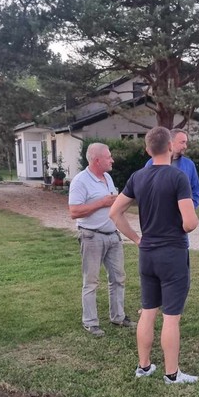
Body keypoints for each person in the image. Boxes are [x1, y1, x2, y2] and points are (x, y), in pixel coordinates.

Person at [109, 126, 199, 383]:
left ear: (147, 149)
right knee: (171, 316)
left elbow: (114, 213)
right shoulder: (177, 177)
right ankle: (172, 374)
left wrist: (137, 238)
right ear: (170, 147)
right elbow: (190, 223)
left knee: (148, 310)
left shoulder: (137, 177)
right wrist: (184, 223)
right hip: (172, 254)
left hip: (146, 254)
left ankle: (144, 366)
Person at [68, 143, 135, 337]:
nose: (112, 160)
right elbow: (74, 212)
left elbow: (113, 204)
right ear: (97, 160)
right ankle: (90, 322)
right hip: (91, 236)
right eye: (109, 157)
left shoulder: (107, 177)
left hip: (112, 235)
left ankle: (118, 317)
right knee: (91, 281)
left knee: (118, 278)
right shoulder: (80, 181)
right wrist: (102, 203)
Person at [144, 129, 199, 207]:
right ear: (171, 143)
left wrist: (191, 207)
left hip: (183, 216)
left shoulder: (189, 164)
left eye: (186, 142)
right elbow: (146, 191)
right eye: (182, 142)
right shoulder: (151, 163)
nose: (185, 146)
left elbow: (196, 190)